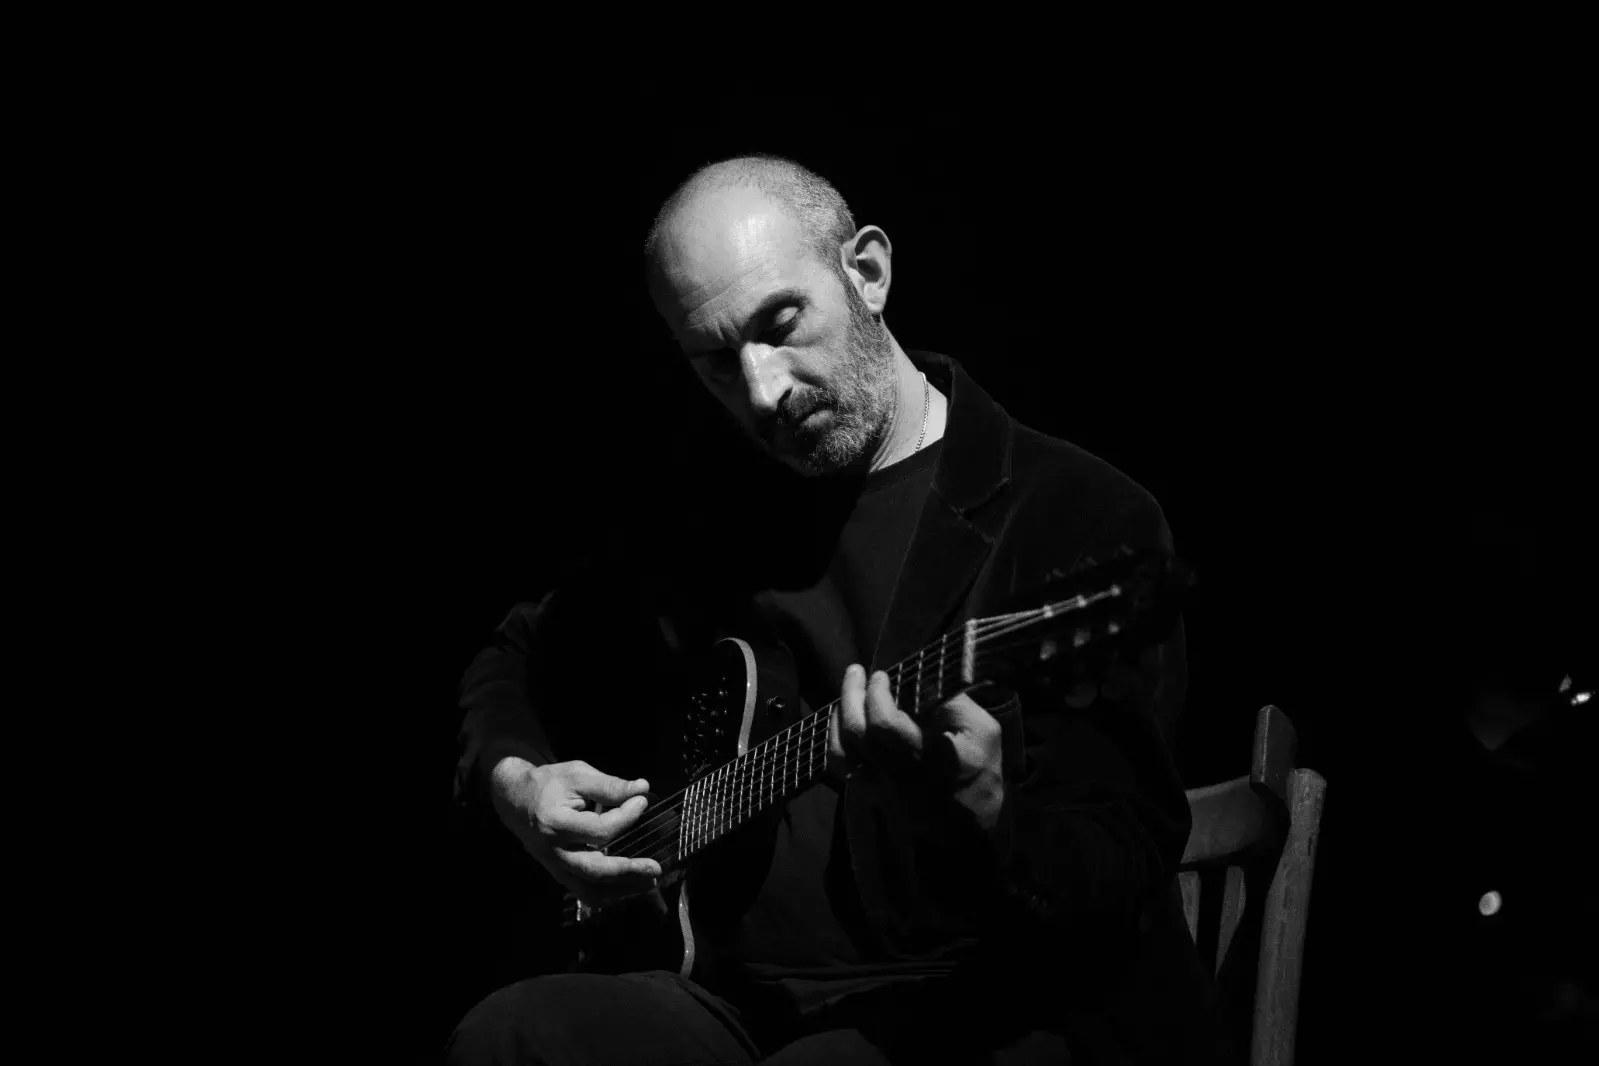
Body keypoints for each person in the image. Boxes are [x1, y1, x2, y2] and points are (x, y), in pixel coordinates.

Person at [448, 154, 1224, 1064]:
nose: (762, 391)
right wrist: (519, 785)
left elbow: (1121, 871)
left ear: (867, 272)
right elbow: (515, 653)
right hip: (739, 1001)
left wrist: (988, 813)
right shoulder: (712, 516)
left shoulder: (1075, 516)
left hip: (992, 995)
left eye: (781, 325)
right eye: (716, 362)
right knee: (509, 1035)